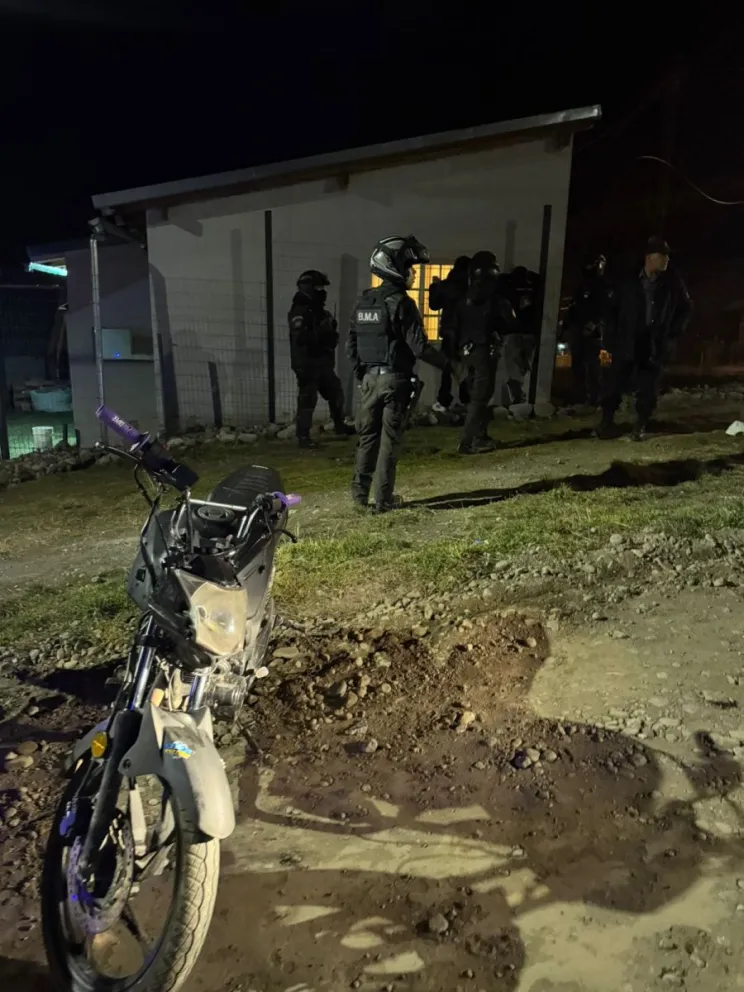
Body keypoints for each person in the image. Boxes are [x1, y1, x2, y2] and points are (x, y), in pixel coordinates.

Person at [347, 234, 449, 512]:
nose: (413, 275)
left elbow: (352, 346)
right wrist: (450, 365)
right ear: (395, 268)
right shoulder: (402, 304)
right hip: (395, 381)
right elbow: (420, 348)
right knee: (389, 441)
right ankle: (382, 500)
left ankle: (359, 498)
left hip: (369, 380)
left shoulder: (365, 303)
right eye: (410, 269)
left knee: (367, 439)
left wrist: (364, 378)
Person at [598, 237, 692, 441]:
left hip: (655, 342)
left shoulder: (672, 282)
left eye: (667, 256)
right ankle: (606, 422)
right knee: (614, 383)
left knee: (648, 387)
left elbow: (686, 308)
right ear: (649, 257)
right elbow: (611, 311)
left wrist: (673, 332)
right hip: (628, 340)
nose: (666, 260)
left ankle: (640, 425)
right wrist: (612, 338)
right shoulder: (628, 280)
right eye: (662, 256)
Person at [452, 250, 517, 454]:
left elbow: (453, 326)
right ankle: (469, 441)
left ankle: (480, 435)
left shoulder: (463, 298)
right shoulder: (495, 299)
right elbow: (511, 323)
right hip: (483, 350)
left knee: (477, 396)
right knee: (481, 397)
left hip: (467, 350)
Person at [288, 269, 355, 448]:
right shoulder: (300, 311)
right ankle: (303, 437)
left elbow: (330, 332)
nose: (322, 292)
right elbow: (301, 338)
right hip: (306, 363)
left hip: (322, 363)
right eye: (318, 287)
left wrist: (330, 334)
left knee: (335, 393)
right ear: (308, 288)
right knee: (307, 400)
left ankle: (340, 426)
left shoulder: (318, 311)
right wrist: (322, 335)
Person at [564, 253, 613, 406]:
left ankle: (595, 399)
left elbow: (605, 308)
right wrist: (566, 326)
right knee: (578, 364)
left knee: (593, 365)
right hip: (578, 328)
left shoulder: (603, 285)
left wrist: (595, 323)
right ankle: (580, 397)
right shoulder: (583, 284)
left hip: (592, 331)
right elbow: (574, 307)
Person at [428, 256, 471, 412]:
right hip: (466, 333)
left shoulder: (446, 286)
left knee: (447, 368)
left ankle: (444, 400)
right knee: (465, 367)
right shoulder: (471, 287)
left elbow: (433, 305)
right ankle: (467, 399)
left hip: (448, 331)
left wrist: (435, 287)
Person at [500, 265, 540, 407]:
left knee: (514, 365)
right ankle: (521, 397)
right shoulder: (535, 284)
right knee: (524, 366)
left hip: (514, 332)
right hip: (529, 331)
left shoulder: (506, 285)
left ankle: (519, 397)